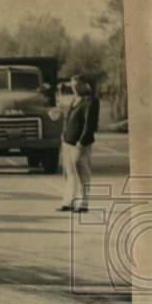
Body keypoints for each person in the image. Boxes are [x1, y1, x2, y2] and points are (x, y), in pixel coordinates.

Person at [58, 74, 99, 213]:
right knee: (69, 174)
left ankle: (83, 203)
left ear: (85, 85)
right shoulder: (74, 100)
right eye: (73, 86)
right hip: (67, 142)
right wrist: (64, 136)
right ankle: (68, 201)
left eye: (77, 85)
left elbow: (90, 124)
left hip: (79, 144)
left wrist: (82, 142)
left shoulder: (91, 101)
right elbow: (68, 120)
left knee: (83, 174)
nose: (75, 88)